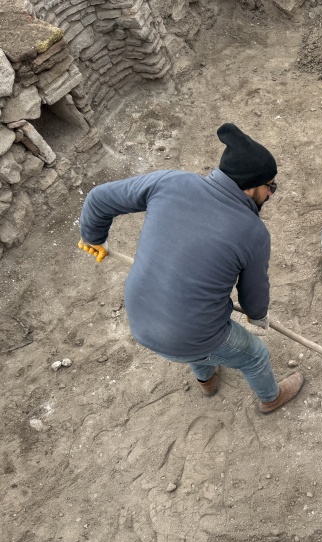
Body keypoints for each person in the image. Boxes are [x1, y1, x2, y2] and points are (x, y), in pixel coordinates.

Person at [77, 123, 304, 414]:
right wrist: (258, 317)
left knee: (199, 324)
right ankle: (271, 398)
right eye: (270, 186)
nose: (272, 194)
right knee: (254, 354)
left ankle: (207, 380)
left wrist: (93, 238)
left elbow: (98, 198)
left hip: (139, 318)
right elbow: (253, 297)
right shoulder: (253, 232)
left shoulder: (170, 182)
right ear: (250, 187)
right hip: (187, 334)